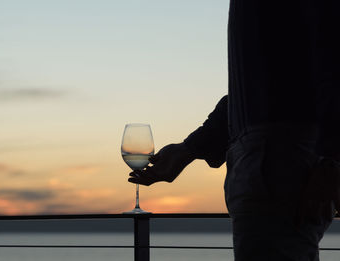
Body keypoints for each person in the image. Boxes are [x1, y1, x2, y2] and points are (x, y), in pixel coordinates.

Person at [128, 1, 340, 260]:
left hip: (278, 161)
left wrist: (332, 161)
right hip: (267, 161)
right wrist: (188, 149)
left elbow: (331, 46)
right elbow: (257, 90)